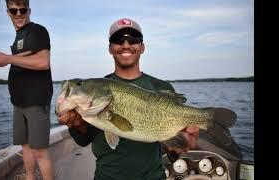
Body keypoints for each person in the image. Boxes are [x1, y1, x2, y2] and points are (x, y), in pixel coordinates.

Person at [57, 18, 199, 180]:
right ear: (110, 48)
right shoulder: (97, 91)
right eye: (118, 40)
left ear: (142, 47)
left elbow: (171, 149)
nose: (126, 44)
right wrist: (76, 124)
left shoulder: (161, 87)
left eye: (133, 39)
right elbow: (83, 140)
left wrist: (178, 147)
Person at [0, 0, 54, 179]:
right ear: (7, 12)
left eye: (22, 9)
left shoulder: (37, 31)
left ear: (28, 10)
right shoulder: (19, 37)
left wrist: (9, 59)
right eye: (13, 10)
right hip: (18, 103)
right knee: (25, 147)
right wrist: (2, 58)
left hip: (36, 102)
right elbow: (20, 60)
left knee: (40, 152)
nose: (18, 14)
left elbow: (43, 62)